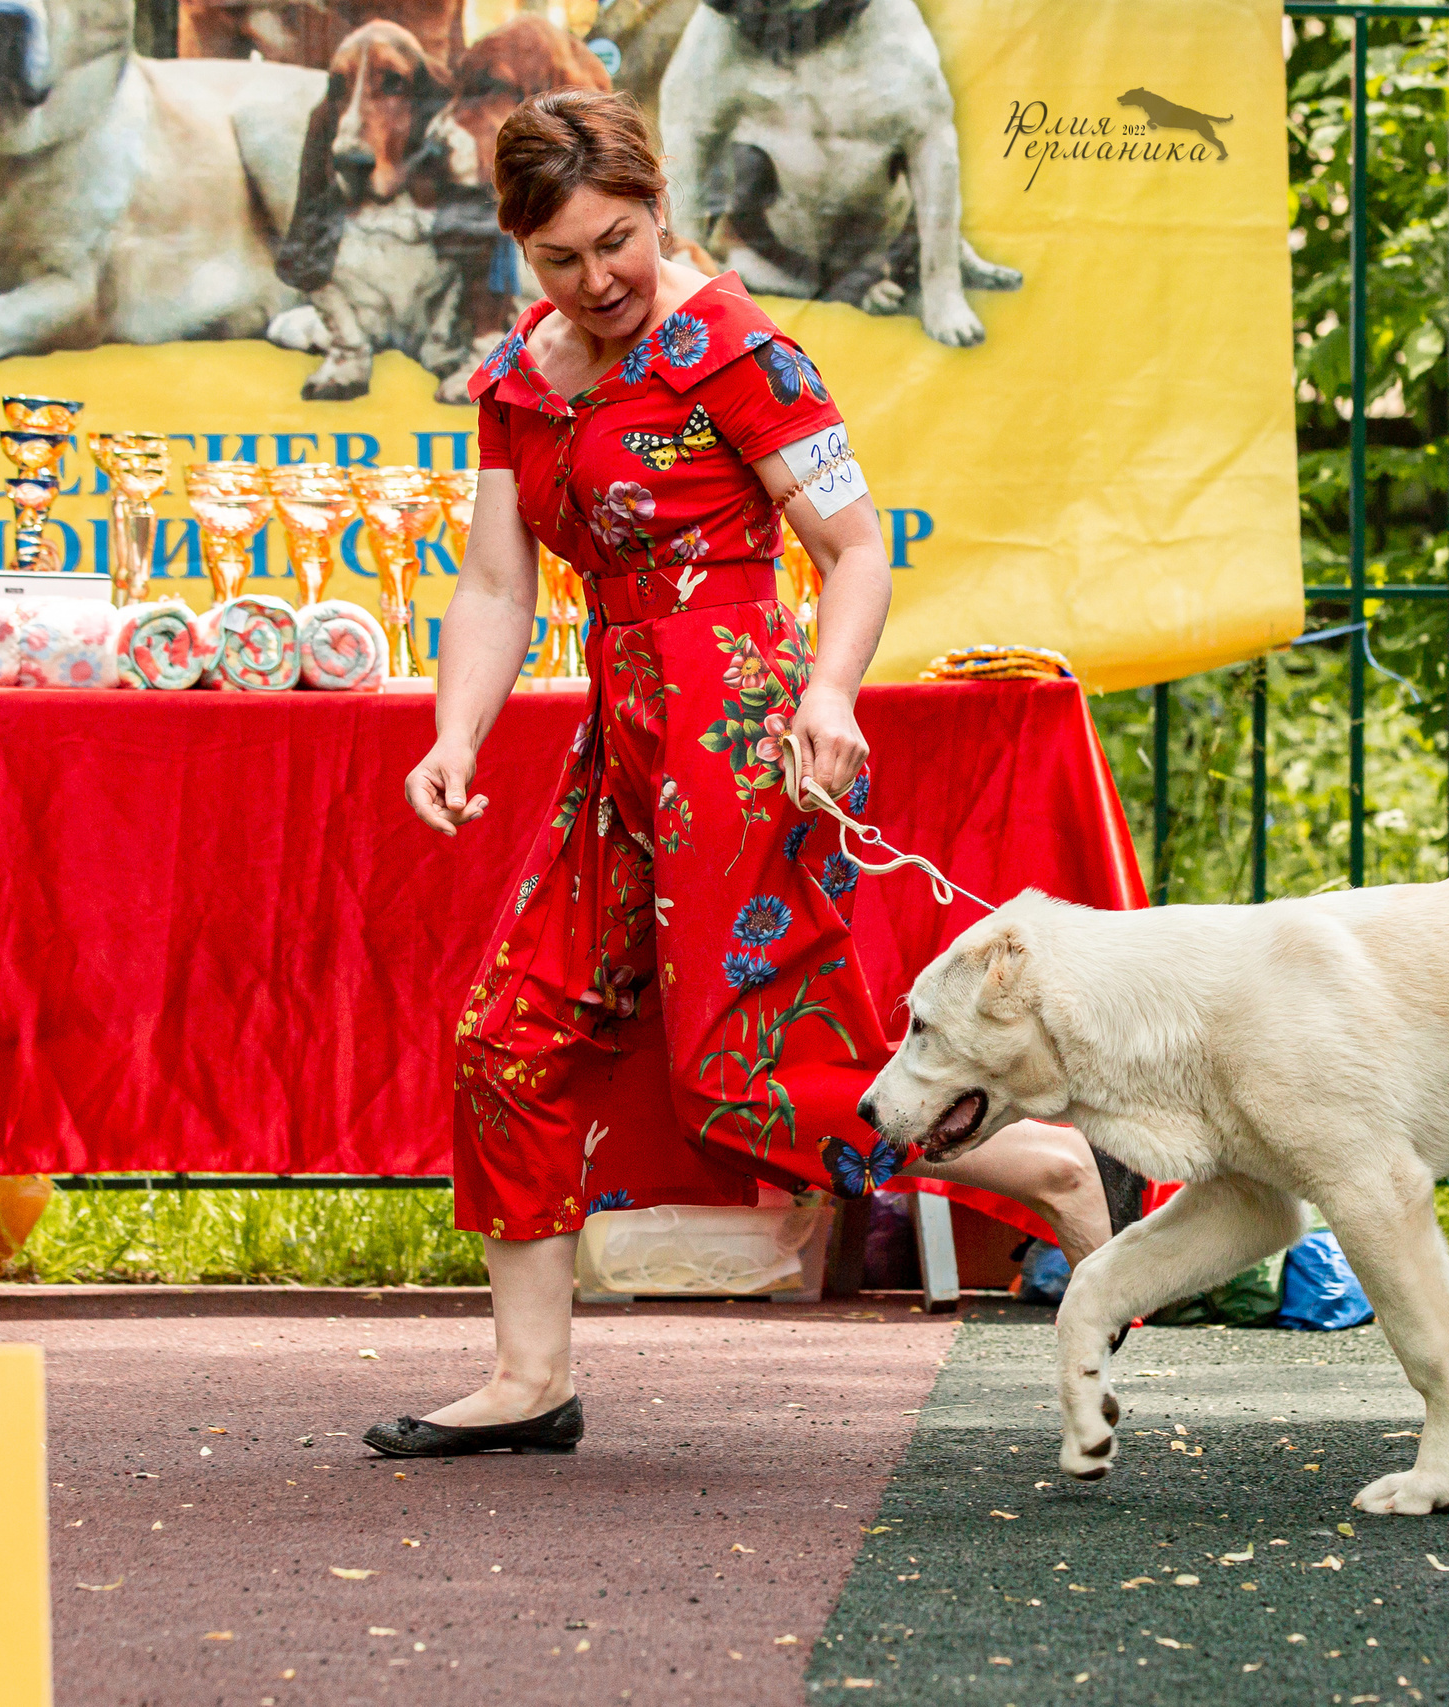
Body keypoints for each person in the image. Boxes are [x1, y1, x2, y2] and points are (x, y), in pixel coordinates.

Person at [372, 89, 1109, 1457]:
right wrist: (455, 733)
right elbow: (492, 581)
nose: (599, 281)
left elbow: (857, 545)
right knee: (508, 1042)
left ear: (659, 208)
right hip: (622, 732)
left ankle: (1048, 1165)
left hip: (736, 729)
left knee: (749, 1076)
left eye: (619, 241)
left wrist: (828, 694)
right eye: (561, 258)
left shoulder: (739, 345)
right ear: (520, 252)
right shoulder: (521, 378)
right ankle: (531, 1384)